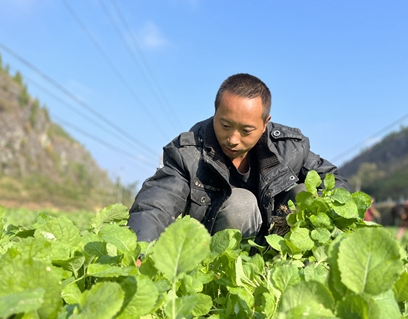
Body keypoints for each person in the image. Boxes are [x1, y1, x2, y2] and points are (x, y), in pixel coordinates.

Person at [128, 73, 349, 248]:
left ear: (265, 123)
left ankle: (303, 273)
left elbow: (333, 183)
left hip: (278, 250)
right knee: (241, 204)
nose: (233, 139)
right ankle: (223, 282)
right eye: (225, 125)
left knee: (304, 195)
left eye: (246, 130)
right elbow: (157, 202)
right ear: (215, 113)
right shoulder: (189, 152)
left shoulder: (289, 148)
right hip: (218, 251)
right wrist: (140, 247)